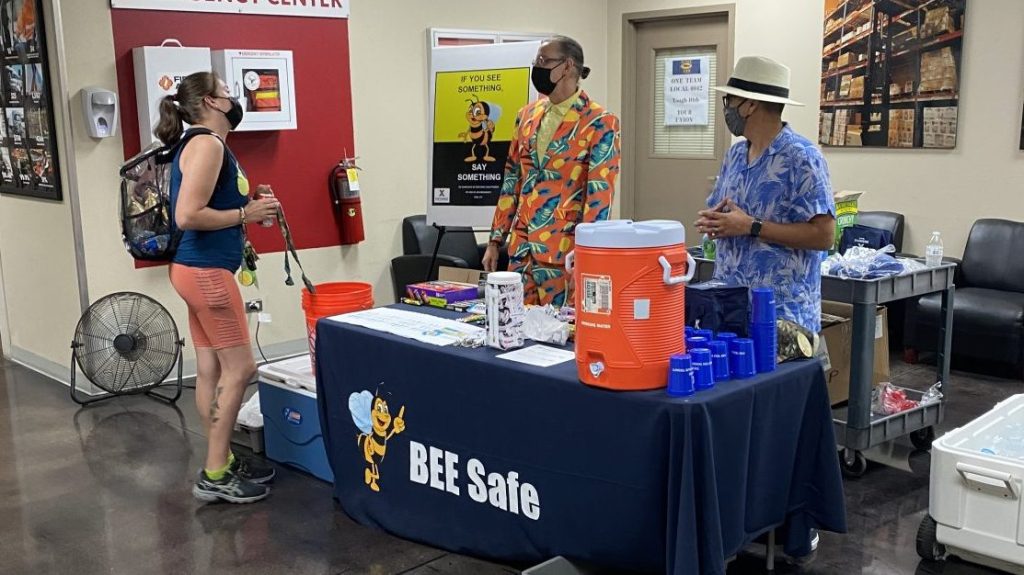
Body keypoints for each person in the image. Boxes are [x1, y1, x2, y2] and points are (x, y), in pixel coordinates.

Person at [156, 72, 280, 504]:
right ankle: (214, 473)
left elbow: (212, 206)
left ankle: (221, 458)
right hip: (206, 272)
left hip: (195, 270)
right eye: (229, 93)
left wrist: (249, 206)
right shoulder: (207, 144)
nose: (235, 99)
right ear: (211, 101)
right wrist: (245, 217)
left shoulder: (206, 145)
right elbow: (189, 215)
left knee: (211, 369)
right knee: (241, 368)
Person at [696, 56, 836, 336]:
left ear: (750, 105)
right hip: (730, 308)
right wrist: (717, 222)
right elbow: (727, 213)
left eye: (730, 101)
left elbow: (824, 236)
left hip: (782, 318)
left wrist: (751, 226)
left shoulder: (802, 158)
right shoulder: (735, 155)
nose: (727, 109)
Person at [482, 35, 620, 307]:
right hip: (521, 249)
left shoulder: (599, 122)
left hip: (565, 252)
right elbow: (512, 179)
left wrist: (589, 254)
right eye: (536, 61)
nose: (537, 67)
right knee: (514, 328)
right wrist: (495, 240)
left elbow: (599, 195)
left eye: (543, 61)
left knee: (559, 335)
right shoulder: (526, 115)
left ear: (567, 66)